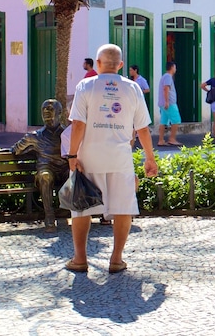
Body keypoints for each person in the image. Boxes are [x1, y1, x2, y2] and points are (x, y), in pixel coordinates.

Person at [65, 44, 158, 274]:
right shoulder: (133, 88)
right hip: (120, 158)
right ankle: (116, 259)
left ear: (97, 64)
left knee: (81, 207)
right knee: (123, 208)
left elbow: (77, 124)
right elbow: (143, 129)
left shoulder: (85, 86)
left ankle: (80, 258)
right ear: (121, 65)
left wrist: (73, 154)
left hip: (89, 156)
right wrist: (150, 158)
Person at [11, 99, 69, 231]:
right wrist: (29, 147)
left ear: (60, 113)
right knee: (45, 176)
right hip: (47, 170)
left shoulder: (67, 134)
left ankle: (76, 213)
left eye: (51, 110)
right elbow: (15, 150)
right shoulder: (34, 136)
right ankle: (49, 216)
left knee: (76, 173)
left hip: (65, 170)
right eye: (44, 111)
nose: (47, 114)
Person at [157, 62, 181, 147]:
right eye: (175, 67)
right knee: (176, 120)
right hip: (169, 103)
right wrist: (167, 101)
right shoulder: (168, 77)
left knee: (163, 121)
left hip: (163, 104)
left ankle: (161, 140)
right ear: (172, 68)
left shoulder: (164, 76)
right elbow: (166, 89)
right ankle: (172, 139)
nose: (175, 69)